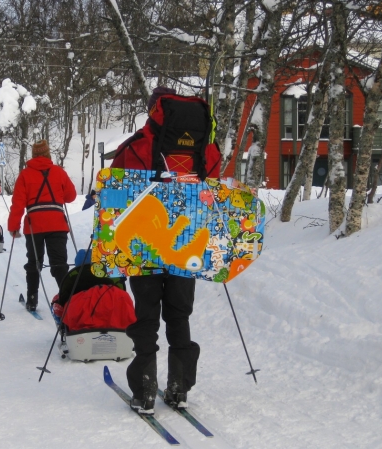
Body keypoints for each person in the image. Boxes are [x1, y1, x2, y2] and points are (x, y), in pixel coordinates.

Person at [110, 87, 222, 415]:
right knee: (178, 314)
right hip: (187, 243)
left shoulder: (137, 146)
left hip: (144, 244)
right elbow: (214, 193)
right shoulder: (207, 148)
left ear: (154, 110)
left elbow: (114, 192)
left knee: (146, 315)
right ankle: (179, 387)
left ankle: (145, 390)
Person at [7, 140, 77, 312]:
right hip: (57, 224)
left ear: (33, 154)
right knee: (59, 263)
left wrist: (13, 226)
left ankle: (32, 299)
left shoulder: (25, 175)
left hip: (34, 225)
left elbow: (18, 203)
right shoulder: (59, 172)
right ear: (47, 154)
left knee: (34, 263)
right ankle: (68, 300)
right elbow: (71, 196)